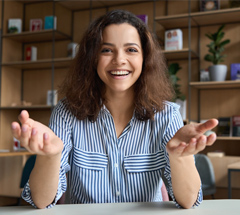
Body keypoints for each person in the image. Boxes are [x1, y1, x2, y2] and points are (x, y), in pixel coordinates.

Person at [11, 9, 218, 209]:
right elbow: (41, 201)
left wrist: (179, 158)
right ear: (92, 58)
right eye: (107, 50)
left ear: (145, 58)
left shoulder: (167, 115)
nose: (119, 59)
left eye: (131, 50)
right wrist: (51, 156)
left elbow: (189, 201)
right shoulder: (67, 112)